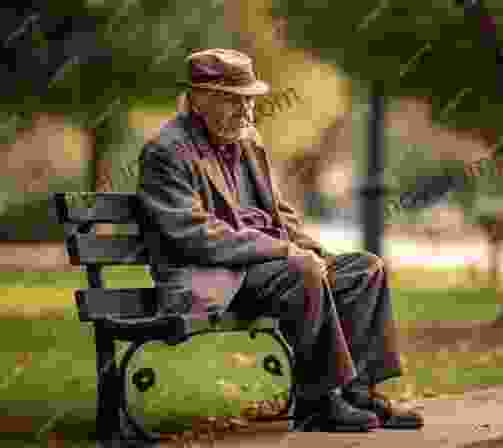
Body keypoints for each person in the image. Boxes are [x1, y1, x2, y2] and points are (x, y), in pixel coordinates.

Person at [137, 48, 423, 432]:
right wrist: (286, 251)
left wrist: (313, 248)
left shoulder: (247, 139)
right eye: (234, 102)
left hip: (274, 267)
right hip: (214, 276)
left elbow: (279, 213)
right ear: (200, 99)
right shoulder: (166, 151)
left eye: (250, 101)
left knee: (364, 268)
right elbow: (195, 236)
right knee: (300, 269)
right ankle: (319, 401)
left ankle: (357, 391)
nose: (247, 112)